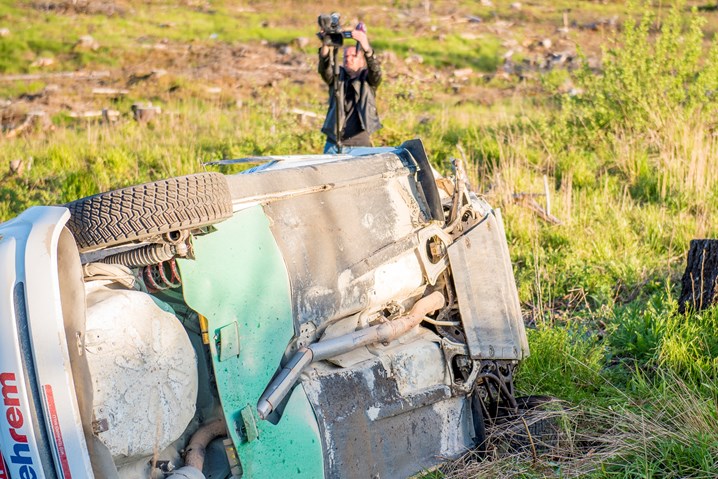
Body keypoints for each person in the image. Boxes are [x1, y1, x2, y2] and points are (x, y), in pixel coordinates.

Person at [318, 25, 382, 154]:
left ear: (362, 61)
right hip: (334, 143)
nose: (349, 59)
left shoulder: (367, 80)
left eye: (353, 56)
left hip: (360, 144)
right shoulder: (337, 76)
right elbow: (324, 69)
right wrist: (325, 44)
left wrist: (366, 47)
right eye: (346, 57)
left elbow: (375, 71)